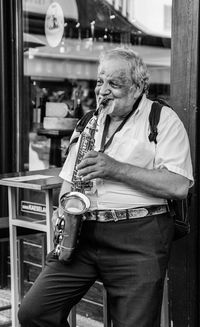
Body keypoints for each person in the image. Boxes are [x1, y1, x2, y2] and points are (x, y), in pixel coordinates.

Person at [18, 47, 193, 327]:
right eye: (101, 82)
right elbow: (69, 178)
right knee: (33, 312)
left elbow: (179, 185)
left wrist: (115, 168)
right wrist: (64, 207)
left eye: (115, 83)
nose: (103, 91)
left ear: (139, 87)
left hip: (139, 238)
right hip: (84, 233)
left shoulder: (163, 119)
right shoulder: (89, 122)